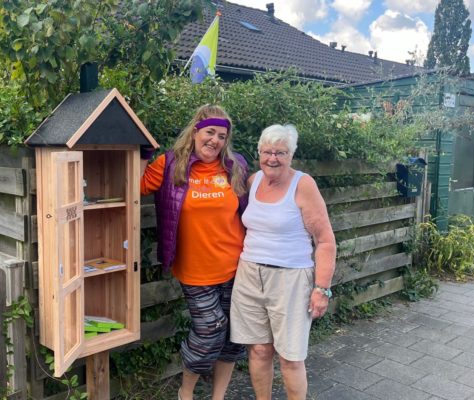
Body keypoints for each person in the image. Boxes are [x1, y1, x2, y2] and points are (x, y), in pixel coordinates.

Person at [140, 105, 249, 400]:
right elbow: (135, 184)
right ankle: (185, 392)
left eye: (222, 135)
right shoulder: (170, 164)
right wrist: (140, 151)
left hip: (237, 267)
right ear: (196, 131)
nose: (215, 140)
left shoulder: (236, 166)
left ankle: (218, 396)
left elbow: (253, 210)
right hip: (195, 270)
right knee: (211, 328)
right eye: (210, 132)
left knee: (234, 335)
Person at [230, 124, 336, 400]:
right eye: (267, 152)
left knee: (290, 357)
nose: (273, 158)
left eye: (281, 152)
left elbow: (325, 241)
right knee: (259, 350)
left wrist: (321, 288)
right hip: (249, 275)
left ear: (291, 155)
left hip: (290, 278)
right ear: (259, 153)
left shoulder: (303, 184)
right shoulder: (253, 181)